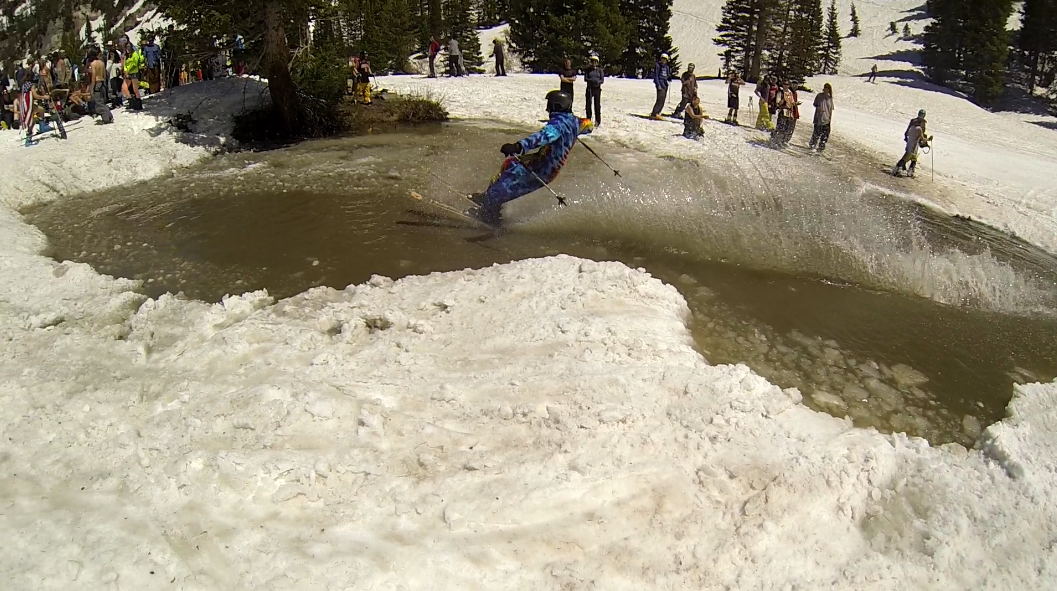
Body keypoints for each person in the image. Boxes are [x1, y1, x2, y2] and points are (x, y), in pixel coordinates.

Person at [467, 90, 593, 226]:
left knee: (511, 176)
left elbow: (540, 138)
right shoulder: (575, 122)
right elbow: (589, 125)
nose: (547, 109)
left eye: (550, 105)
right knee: (510, 164)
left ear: (557, 106)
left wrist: (517, 146)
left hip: (543, 167)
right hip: (545, 162)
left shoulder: (557, 125)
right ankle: (489, 200)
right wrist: (574, 132)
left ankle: (489, 211)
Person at [87, 47, 114, 124]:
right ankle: (109, 116)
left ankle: (106, 118)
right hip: (103, 83)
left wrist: (92, 88)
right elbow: (104, 75)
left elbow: (93, 76)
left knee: (99, 103)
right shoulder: (101, 62)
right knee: (103, 101)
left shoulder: (93, 64)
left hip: (97, 83)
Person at [808, 83, 834, 152]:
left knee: (825, 134)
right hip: (819, 118)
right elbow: (815, 104)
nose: (826, 89)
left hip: (826, 119)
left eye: (827, 88)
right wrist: (819, 108)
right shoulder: (819, 96)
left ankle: (821, 147)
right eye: (825, 88)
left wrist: (830, 119)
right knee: (817, 132)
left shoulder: (830, 98)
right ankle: (812, 144)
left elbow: (830, 110)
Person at [649, 53, 671, 120]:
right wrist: (658, 84)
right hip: (660, 84)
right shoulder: (658, 66)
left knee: (663, 100)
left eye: (665, 59)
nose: (663, 60)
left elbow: (667, 75)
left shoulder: (666, 67)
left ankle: (658, 113)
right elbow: (656, 76)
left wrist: (669, 77)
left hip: (665, 84)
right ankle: (654, 113)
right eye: (662, 58)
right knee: (660, 99)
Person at [583, 55, 604, 126]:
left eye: (595, 62)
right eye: (592, 61)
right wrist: (591, 81)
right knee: (588, 104)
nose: (594, 63)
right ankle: (588, 119)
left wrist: (597, 82)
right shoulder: (588, 70)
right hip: (589, 88)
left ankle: (597, 121)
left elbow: (602, 80)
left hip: (597, 89)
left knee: (597, 105)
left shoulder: (600, 70)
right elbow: (585, 78)